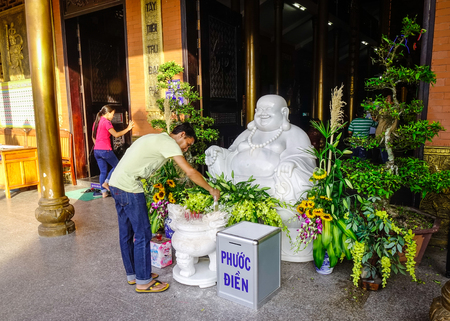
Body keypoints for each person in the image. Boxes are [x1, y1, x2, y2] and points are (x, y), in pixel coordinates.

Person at [109, 122, 220, 293]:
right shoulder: (168, 142)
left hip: (116, 183)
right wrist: (211, 189)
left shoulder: (155, 138)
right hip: (130, 187)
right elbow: (189, 172)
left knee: (126, 233)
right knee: (143, 234)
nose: (186, 149)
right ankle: (144, 282)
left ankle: (134, 275)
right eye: (187, 144)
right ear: (182, 134)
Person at [92, 105, 134, 198]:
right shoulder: (106, 122)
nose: (113, 116)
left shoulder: (96, 122)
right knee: (118, 166)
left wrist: (98, 146)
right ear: (107, 113)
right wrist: (128, 128)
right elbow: (116, 135)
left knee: (103, 171)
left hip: (97, 150)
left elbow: (93, 137)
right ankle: (106, 182)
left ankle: (104, 192)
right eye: (112, 114)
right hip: (105, 150)